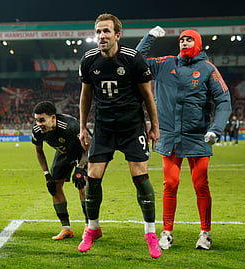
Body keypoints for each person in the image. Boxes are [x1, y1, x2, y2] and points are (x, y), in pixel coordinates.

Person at [136, 26, 232, 250]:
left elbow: (224, 99)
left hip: (198, 137)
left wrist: (216, 129)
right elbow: (136, 62)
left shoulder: (208, 69)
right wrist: (149, 37)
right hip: (169, 137)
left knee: (201, 185)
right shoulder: (165, 64)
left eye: (190, 39)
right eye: (182, 39)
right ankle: (167, 233)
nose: (184, 42)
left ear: (198, 44)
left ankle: (205, 234)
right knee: (170, 183)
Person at [77, 14, 161, 258]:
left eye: (106, 31)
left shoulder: (134, 59)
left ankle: (150, 233)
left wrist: (154, 126)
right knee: (92, 176)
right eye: (98, 31)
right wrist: (83, 127)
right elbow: (85, 96)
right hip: (103, 128)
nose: (101, 36)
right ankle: (92, 228)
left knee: (140, 176)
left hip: (132, 127)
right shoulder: (89, 60)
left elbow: (148, 96)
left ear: (117, 35)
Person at [32, 101, 90, 240]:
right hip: (63, 154)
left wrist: (80, 168)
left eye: (42, 120)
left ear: (53, 118)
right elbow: (39, 152)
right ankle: (66, 229)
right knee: (54, 186)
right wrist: (47, 174)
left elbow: (89, 145)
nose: (39, 124)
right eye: (36, 120)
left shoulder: (70, 126)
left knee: (82, 184)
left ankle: (89, 226)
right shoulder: (38, 131)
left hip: (82, 152)